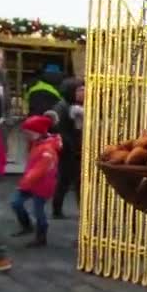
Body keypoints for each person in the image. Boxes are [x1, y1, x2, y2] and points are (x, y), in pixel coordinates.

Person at [11, 115, 62, 247]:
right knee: (16, 203)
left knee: (38, 211)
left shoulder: (47, 149)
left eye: (28, 131)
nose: (25, 134)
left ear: (37, 132)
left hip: (42, 184)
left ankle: (41, 237)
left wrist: (23, 184)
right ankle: (28, 226)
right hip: (31, 183)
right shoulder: (37, 142)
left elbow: (39, 171)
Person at [51, 78, 84, 219]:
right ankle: (56, 210)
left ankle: (82, 211)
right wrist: (71, 146)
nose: (83, 92)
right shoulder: (61, 107)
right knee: (64, 181)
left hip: (76, 149)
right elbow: (58, 130)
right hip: (67, 150)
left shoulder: (76, 106)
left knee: (78, 181)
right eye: (80, 90)